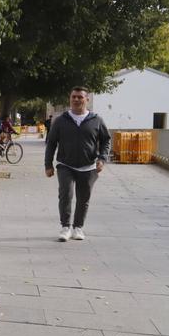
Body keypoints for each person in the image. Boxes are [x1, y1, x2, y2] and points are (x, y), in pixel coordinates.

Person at [44, 86, 111, 242]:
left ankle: (78, 227)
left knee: (83, 198)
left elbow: (106, 140)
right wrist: (48, 165)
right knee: (65, 195)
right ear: (70, 99)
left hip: (88, 166)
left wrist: (102, 158)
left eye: (80, 97)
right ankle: (65, 227)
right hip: (65, 164)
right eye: (73, 96)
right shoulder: (61, 120)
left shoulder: (96, 120)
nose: (76, 99)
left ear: (86, 99)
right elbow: (52, 143)